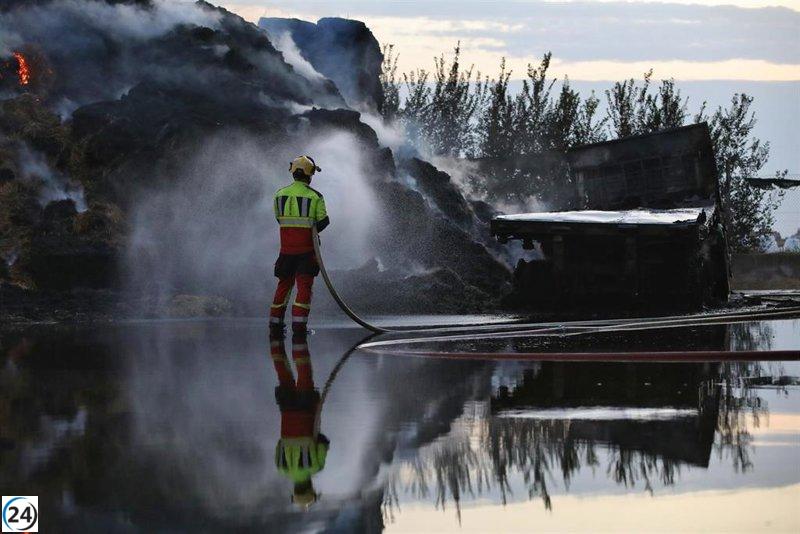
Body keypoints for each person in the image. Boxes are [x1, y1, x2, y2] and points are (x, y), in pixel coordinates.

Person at [270, 155, 329, 338]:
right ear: (310, 174)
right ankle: (299, 329)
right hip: (306, 253)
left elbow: (279, 219)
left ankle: (275, 327)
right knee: (304, 288)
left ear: (293, 172)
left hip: (286, 251)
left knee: (283, 286)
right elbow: (324, 221)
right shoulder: (315, 196)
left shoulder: (279, 194)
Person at [270, 334, 329, 509]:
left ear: (310, 487)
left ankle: (300, 343)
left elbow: (323, 445)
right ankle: (276, 345)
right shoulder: (281, 469)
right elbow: (279, 444)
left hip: (306, 410)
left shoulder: (316, 468)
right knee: (283, 375)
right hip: (287, 411)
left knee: (304, 374)